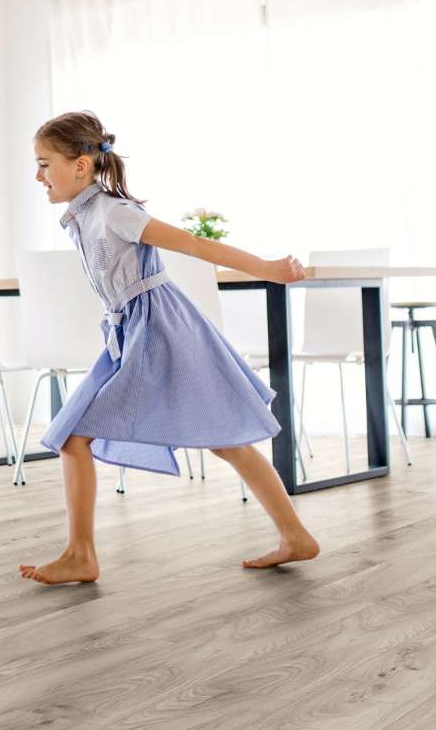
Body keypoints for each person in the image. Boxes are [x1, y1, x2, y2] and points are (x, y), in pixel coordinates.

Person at [18, 111, 321, 585]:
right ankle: (295, 536)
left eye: (44, 164)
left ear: (80, 166)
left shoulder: (116, 212)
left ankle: (81, 554)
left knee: (76, 436)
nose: (38, 176)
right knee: (220, 442)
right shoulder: (84, 215)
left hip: (160, 330)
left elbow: (193, 244)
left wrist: (267, 268)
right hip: (131, 331)